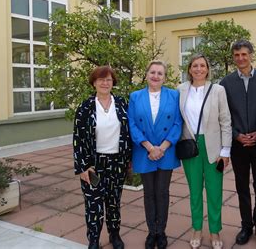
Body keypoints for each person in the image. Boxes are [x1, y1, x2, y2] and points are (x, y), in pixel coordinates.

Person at [220, 40, 256, 247]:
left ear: (251, 55)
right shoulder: (225, 83)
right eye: (236, 55)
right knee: (241, 186)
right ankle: (246, 226)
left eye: (244, 54)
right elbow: (223, 116)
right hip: (238, 144)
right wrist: (236, 135)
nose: (240, 58)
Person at [73, 65, 132, 249]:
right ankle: (93, 239)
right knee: (94, 204)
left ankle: (114, 235)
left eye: (108, 79)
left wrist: (129, 160)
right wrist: (82, 167)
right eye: (101, 79)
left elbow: (129, 133)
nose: (105, 83)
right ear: (94, 83)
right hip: (94, 164)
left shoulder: (122, 103)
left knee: (114, 202)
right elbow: (78, 139)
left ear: (113, 82)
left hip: (117, 161)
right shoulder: (85, 107)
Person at [177, 54, 232, 249]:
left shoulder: (218, 90)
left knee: (215, 191)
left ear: (208, 69)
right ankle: (197, 228)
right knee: (194, 191)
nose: (198, 69)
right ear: (189, 69)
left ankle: (215, 230)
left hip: (213, 147)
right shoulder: (181, 89)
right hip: (190, 146)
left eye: (202, 66)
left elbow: (225, 120)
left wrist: (225, 151)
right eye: (194, 66)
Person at [128, 60, 182, 249]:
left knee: (162, 193)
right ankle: (152, 232)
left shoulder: (174, 95)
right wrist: (150, 147)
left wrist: (163, 147)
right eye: (152, 72)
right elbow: (132, 124)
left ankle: (162, 232)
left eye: (160, 73)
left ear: (165, 77)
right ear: (146, 74)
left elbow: (177, 123)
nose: (156, 76)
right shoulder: (135, 96)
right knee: (149, 194)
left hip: (166, 151)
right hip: (145, 151)